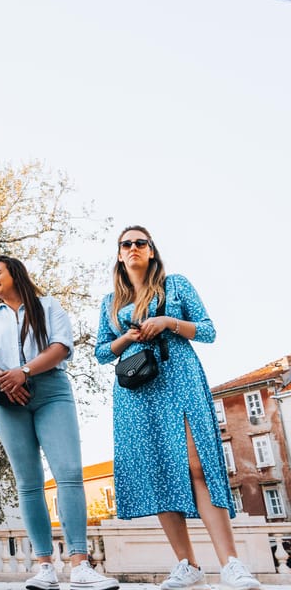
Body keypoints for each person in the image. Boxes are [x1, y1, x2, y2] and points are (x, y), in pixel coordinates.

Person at [94, 226, 261, 590]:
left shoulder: (176, 285)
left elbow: (208, 330)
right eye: (127, 244)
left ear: (151, 251)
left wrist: (167, 322)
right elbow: (102, 352)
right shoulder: (109, 303)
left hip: (179, 377)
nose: (134, 247)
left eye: (141, 242)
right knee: (158, 471)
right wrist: (128, 336)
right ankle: (187, 565)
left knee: (196, 464)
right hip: (136, 391)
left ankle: (231, 563)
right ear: (119, 254)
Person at [0, 256, 118, 590]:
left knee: (67, 473)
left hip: (51, 392)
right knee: (28, 482)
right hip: (7, 399)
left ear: (15, 274)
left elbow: (60, 347)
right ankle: (45, 566)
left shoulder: (48, 306)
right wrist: (4, 379)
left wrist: (23, 372)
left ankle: (80, 564)